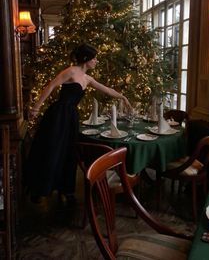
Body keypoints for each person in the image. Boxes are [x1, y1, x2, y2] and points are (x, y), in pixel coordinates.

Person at [24, 43, 132, 204]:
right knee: (51, 150)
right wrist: (36, 108)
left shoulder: (88, 78)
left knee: (69, 152)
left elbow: (107, 90)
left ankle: (66, 189)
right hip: (58, 115)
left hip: (71, 117)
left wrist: (123, 97)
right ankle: (39, 189)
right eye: (94, 58)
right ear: (86, 59)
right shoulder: (71, 71)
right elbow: (50, 86)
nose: (96, 61)